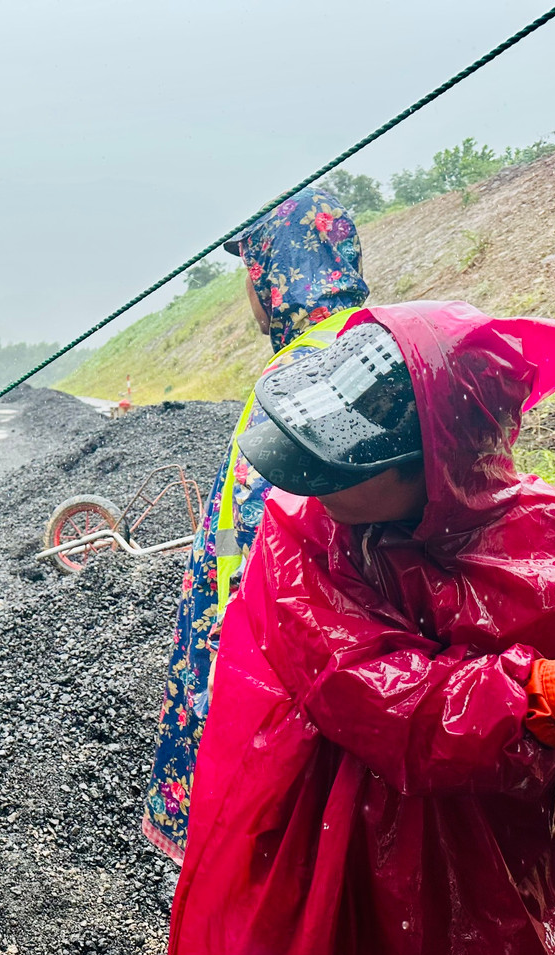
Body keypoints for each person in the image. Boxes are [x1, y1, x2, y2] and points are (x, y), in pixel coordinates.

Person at [165, 301, 555, 955]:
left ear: (439, 464)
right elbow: (382, 698)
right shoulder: (299, 537)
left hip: (482, 869)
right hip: (313, 845)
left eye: (346, 460)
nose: (313, 478)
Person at [143, 187, 369, 862]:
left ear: (278, 272)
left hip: (267, 659)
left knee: (259, 839)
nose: (250, 290)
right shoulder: (357, 349)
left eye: (253, 269)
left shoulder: (305, 377)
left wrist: (227, 650)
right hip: (311, 655)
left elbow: (266, 541)